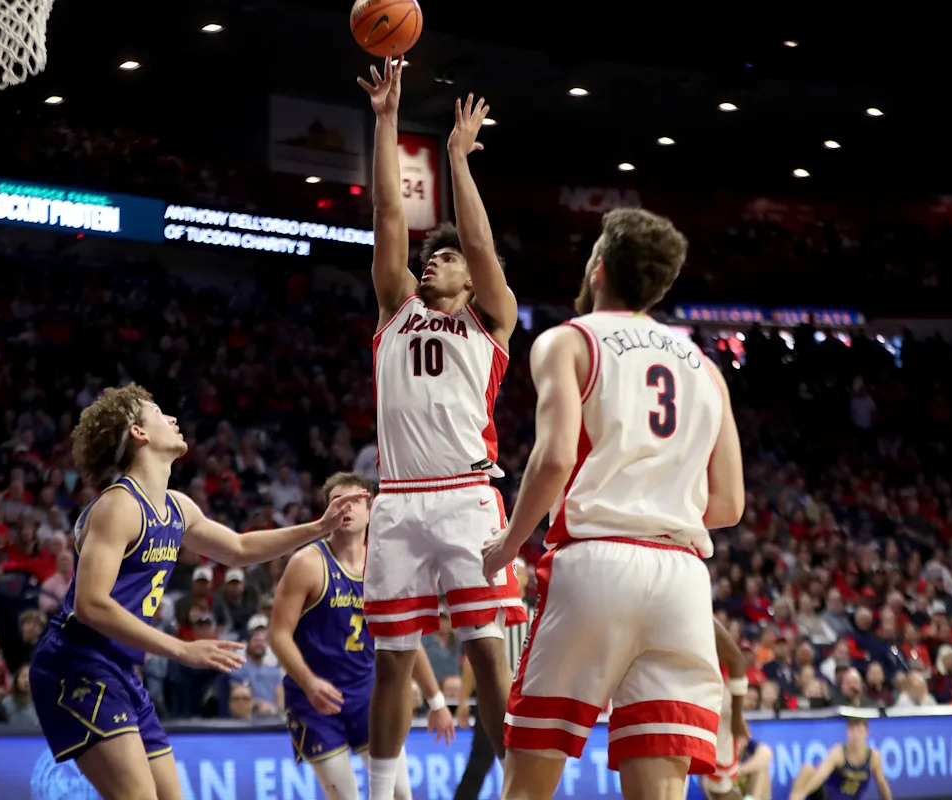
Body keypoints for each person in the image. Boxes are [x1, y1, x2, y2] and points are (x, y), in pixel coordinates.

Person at [483, 207, 745, 800]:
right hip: (681, 580)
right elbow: (728, 504)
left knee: (528, 779)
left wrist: (506, 544)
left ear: (598, 267)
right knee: (658, 789)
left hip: (596, 562)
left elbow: (552, 462)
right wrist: (657, 502)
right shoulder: (706, 369)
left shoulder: (567, 341)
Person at [28, 384, 365, 800]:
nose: (172, 419)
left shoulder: (177, 507)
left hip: (119, 667)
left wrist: (318, 528)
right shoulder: (120, 506)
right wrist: (181, 649)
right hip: (76, 662)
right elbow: (91, 604)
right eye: (159, 414)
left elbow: (239, 550)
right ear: (139, 433)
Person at [356, 56, 525, 800]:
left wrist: (457, 157)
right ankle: (383, 790)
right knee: (394, 657)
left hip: (466, 496)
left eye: (445, 256)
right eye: (432, 256)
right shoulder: (395, 305)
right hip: (397, 497)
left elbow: (485, 251)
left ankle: (518, 784)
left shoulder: (494, 320)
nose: (434, 263)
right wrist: (388, 118)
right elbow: (392, 217)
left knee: (486, 654)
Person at [270, 471, 455, 800]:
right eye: (337, 501)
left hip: (369, 695)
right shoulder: (307, 563)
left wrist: (437, 701)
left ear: (371, 511)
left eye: (355, 500)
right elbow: (278, 635)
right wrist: (309, 682)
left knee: (400, 795)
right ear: (326, 511)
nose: (346, 508)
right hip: (315, 700)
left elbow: (405, 639)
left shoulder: (387, 564)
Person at [454, 558, 532, 800]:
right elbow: (471, 663)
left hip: (527, 702)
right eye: (511, 572)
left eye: (517, 572)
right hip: (496, 698)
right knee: (478, 764)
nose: (514, 577)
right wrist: (465, 700)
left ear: (526, 580)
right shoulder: (491, 612)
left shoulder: (537, 612)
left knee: (531, 768)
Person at [701, 620, 750, 800]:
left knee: (720, 784)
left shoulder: (700, 614)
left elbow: (737, 659)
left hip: (713, 700)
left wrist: (736, 717)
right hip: (692, 700)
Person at [787, 717, 893, 800]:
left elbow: (882, 784)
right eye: (852, 730)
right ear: (847, 732)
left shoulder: (874, 756)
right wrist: (802, 793)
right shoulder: (837, 753)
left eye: (859, 730)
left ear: (866, 732)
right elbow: (819, 777)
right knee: (807, 769)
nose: (855, 735)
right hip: (827, 797)